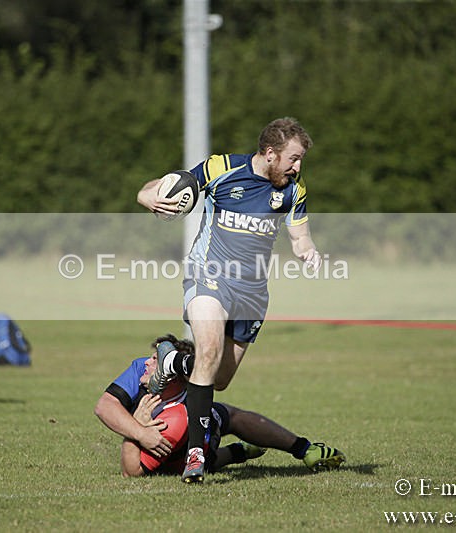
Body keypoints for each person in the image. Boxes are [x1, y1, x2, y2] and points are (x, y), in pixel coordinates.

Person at [137, 117, 341, 482]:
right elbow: (174, 182)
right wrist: (147, 193)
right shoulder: (223, 168)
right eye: (293, 159)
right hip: (208, 277)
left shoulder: (293, 188)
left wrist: (309, 252)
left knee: (219, 379)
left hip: (252, 293)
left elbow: (300, 236)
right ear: (269, 153)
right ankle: (196, 456)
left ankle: (176, 362)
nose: (297, 167)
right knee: (210, 351)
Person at [94, 334, 345, 477]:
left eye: (155, 360)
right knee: (193, 458)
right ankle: (240, 451)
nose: (145, 363)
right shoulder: (141, 369)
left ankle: (304, 448)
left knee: (209, 449)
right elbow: (105, 405)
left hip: (200, 429)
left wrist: (136, 430)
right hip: (180, 430)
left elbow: (131, 473)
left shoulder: (176, 419)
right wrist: (138, 430)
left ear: (171, 373)